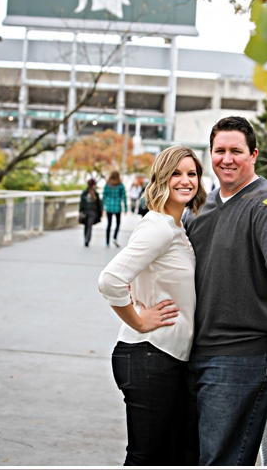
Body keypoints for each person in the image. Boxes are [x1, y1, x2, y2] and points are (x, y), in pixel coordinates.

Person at [182, 115, 267, 466]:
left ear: (253, 155)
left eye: (236, 150)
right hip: (192, 352)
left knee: (221, 461)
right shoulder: (198, 208)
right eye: (220, 151)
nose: (227, 158)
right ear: (210, 155)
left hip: (240, 358)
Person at [98, 145, 207, 466]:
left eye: (192, 173)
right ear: (162, 177)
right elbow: (110, 279)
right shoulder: (159, 227)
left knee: (165, 456)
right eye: (176, 173)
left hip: (164, 358)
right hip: (148, 355)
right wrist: (139, 320)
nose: (186, 180)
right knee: (145, 458)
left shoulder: (176, 227)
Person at [103, 170, 128, 247]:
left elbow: (104, 196)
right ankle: (114, 237)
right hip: (117, 207)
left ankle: (107, 242)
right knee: (118, 223)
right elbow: (124, 197)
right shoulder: (120, 185)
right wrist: (126, 207)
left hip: (109, 207)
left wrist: (102, 207)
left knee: (109, 224)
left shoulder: (107, 185)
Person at [78, 178, 102, 247]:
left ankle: (86, 238)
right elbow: (98, 204)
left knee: (86, 226)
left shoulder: (84, 193)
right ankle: (87, 239)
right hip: (93, 212)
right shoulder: (95, 193)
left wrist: (80, 211)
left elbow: (81, 203)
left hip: (85, 212)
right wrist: (100, 214)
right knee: (89, 226)